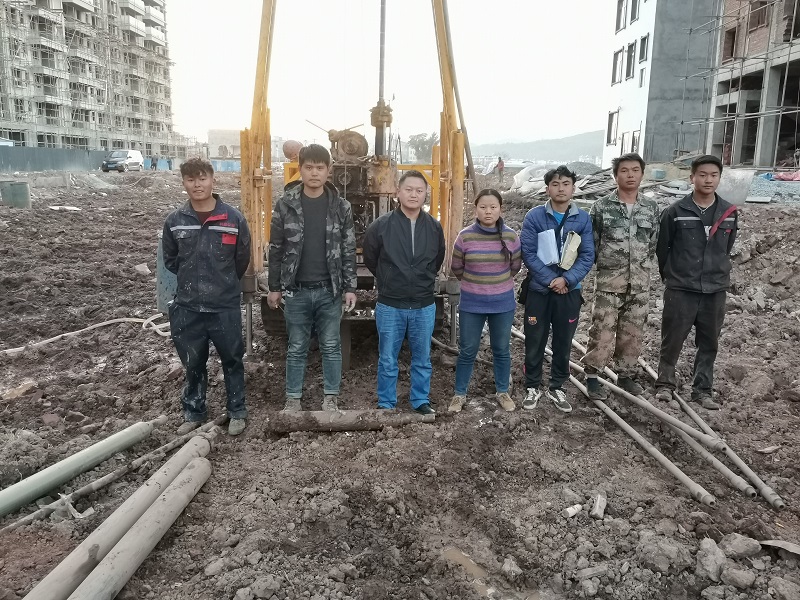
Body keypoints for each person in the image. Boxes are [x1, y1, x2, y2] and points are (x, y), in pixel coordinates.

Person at [162, 157, 251, 436]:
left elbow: (241, 259)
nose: (197, 185)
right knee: (193, 362)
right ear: (184, 183)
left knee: (232, 360)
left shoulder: (233, 219)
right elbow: (171, 260)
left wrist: (222, 283)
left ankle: (237, 411)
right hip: (189, 306)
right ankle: (194, 412)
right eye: (191, 179)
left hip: (224, 306)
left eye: (202, 178)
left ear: (213, 179)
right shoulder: (175, 221)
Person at [267, 144, 357, 412]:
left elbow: (348, 249)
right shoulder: (285, 205)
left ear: (329, 170)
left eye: (320, 167)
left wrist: (350, 287)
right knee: (296, 346)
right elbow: (276, 248)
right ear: (300, 169)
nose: (314, 173)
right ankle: (293, 399)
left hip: (329, 290)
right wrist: (274, 287)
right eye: (309, 167)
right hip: (296, 290)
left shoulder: (341, 206)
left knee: (331, 345)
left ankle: (331, 398)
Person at [655, 155, 737, 409]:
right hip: (681, 288)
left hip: (715, 289)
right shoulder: (675, 212)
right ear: (692, 178)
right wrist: (673, 277)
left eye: (713, 175)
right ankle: (665, 385)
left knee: (709, 342)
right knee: (672, 338)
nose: (708, 180)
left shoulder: (729, 213)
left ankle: (702, 390)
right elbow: (663, 249)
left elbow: (727, 247)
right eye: (702, 175)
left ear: (719, 178)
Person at [363, 169, 445, 414]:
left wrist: (422, 278)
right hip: (391, 304)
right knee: (388, 358)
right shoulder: (381, 226)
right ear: (398, 192)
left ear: (425, 194)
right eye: (408, 189)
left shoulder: (433, 227)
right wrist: (389, 278)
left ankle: (420, 400)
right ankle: (386, 402)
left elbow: (437, 259)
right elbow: (371, 258)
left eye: (419, 190)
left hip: (423, 303)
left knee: (422, 358)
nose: (413, 194)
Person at [582, 153, 659, 399]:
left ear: (642, 174)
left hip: (639, 283)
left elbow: (652, 244)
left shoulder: (651, 208)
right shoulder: (601, 207)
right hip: (609, 283)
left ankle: (625, 375)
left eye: (635, 170)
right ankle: (592, 377)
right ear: (615, 176)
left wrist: (640, 269)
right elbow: (592, 244)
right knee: (601, 331)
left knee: (632, 333)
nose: (630, 175)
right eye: (624, 170)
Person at [520, 165, 594, 413]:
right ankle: (532, 386)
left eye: (565, 184)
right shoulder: (534, 217)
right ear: (547, 189)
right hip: (539, 291)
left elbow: (587, 255)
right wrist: (552, 279)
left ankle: (557, 386)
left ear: (573, 188)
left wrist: (567, 280)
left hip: (569, 291)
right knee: (534, 339)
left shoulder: (582, 218)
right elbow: (529, 253)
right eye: (555, 184)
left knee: (563, 341)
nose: (560, 189)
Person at [448, 189, 522, 413]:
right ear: (475, 209)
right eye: (483, 207)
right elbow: (457, 267)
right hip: (472, 303)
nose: (488, 211)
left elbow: (515, 267)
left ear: (501, 209)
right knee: (468, 349)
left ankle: (502, 391)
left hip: (502, 303)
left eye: (493, 207)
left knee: (501, 349)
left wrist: (495, 284)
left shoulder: (510, 236)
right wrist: (476, 285)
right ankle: (459, 394)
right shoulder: (465, 236)